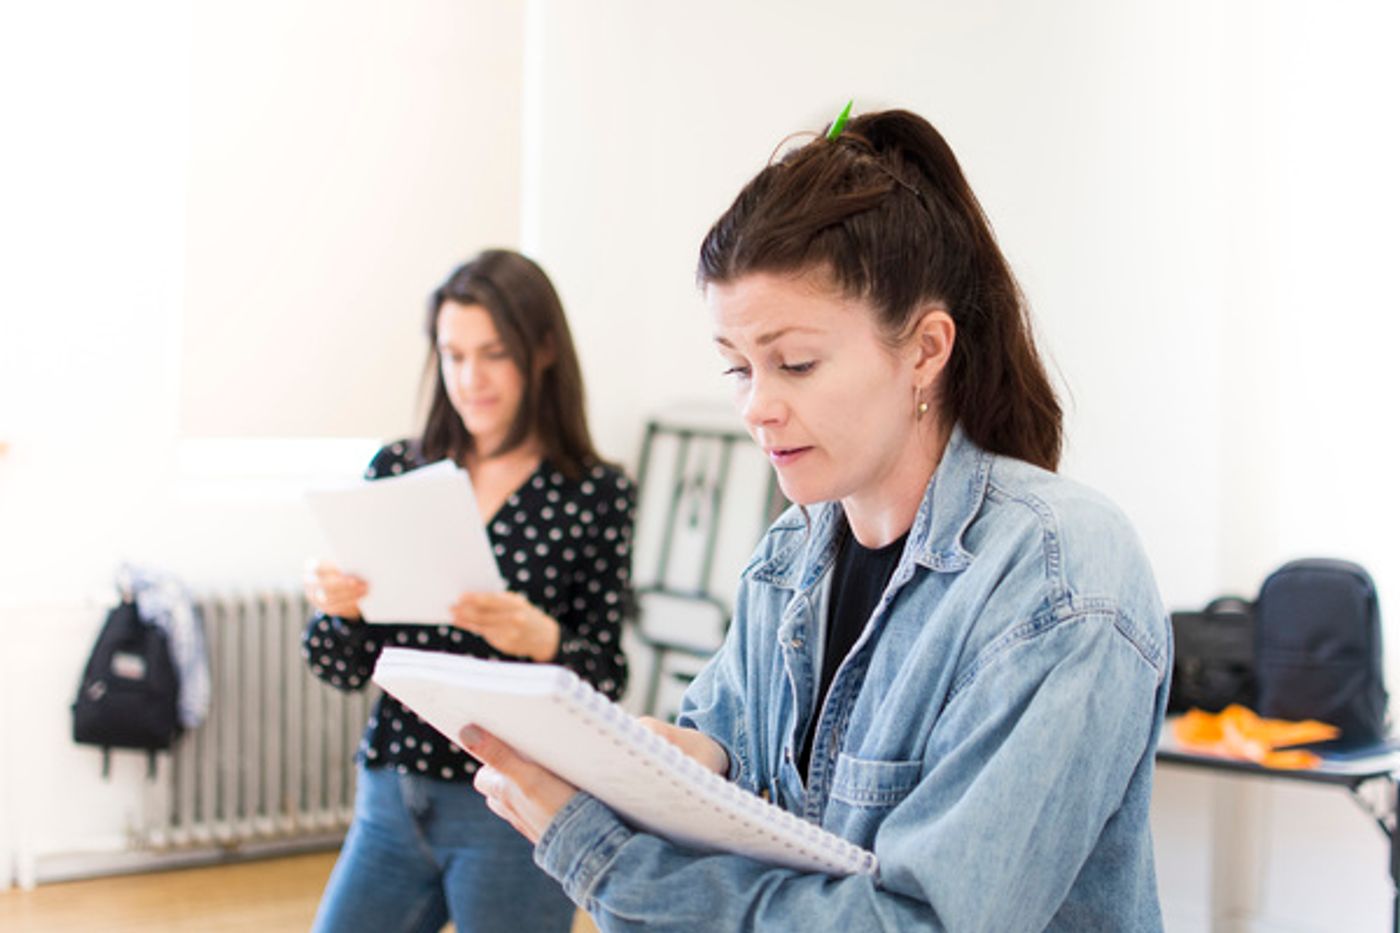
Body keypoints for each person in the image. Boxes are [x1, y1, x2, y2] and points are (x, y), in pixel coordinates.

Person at [460, 108, 1171, 930]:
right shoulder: (788, 556)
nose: (758, 407)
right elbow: (725, 752)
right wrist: (670, 766)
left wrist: (604, 854)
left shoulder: (1062, 578)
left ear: (927, 349)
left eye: (795, 363)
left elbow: (925, 921)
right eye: (738, 368)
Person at [301, 248, 634, 933]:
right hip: (394, 791)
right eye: (453, 355)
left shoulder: (596, 493)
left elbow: (605, 676)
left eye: (493, 353)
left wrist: (543, 639)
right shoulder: (399, 468)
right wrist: (338, 611)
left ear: (541, 351)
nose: (470, 378)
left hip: (516, 804)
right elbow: (335, 666)